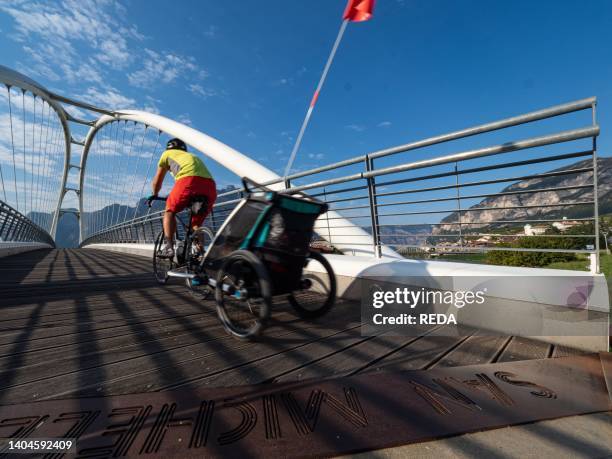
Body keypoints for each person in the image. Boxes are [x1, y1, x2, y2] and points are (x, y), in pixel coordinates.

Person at [147, 138, 217, 258]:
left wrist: (155, 194)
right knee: (196, 224)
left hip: (188, 180)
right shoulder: (191, 156)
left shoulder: (166, 154)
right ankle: (201, 253)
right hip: (210, 187)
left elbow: (157, 181)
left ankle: (168, 247)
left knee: (169, 211)